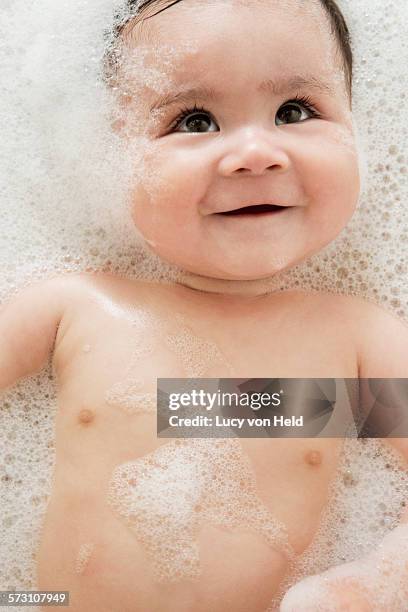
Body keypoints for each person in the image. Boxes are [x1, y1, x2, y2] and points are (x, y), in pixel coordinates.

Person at [1, 0, 407, 609]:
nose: (255, 152)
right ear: (113, 157)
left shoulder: (354, 343)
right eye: (194, 120)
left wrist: (379, 580)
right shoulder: (76, 310)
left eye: (295, 111)